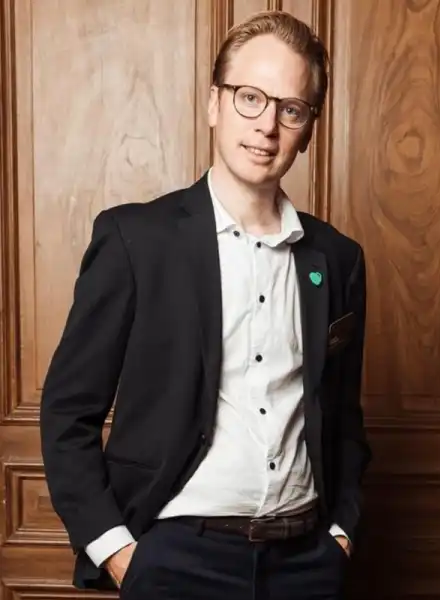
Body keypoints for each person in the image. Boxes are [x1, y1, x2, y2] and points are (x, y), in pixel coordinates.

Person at [39, 12, 368, 600]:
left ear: (309, 127)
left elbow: (343, 419)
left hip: (307, 565)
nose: (267, 125)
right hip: (173, 561)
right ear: (215, 103)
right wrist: (119, 554)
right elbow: (68, 416)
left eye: (290, 109)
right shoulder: (134, 240)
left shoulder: (338, 260)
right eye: (249, 98)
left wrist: (340, 534)